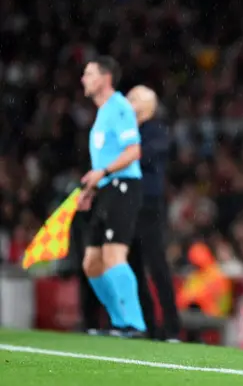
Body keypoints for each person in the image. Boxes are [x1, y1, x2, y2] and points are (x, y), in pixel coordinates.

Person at [77, 56, 147, 337]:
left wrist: (102, 172)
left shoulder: (119, 107)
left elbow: (133, 152)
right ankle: (119, 322)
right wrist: (92, 188)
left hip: (124, 186)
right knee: (91, 263)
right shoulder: (103, 111)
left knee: (114, 255)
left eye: (88, 73)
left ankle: (136, 324)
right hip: (106, 188)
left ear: (105, 78)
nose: (83, 78)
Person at [126, 85, 181, 342]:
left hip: (148, 205)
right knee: (133, 266)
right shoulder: (129, 131)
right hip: (128, 203)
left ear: (147, 106)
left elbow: (145, 157)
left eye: (133, 98)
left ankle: (171, 327)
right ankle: (147, 325)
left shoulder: (156, 130)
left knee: (156, 265)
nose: (127, 100)